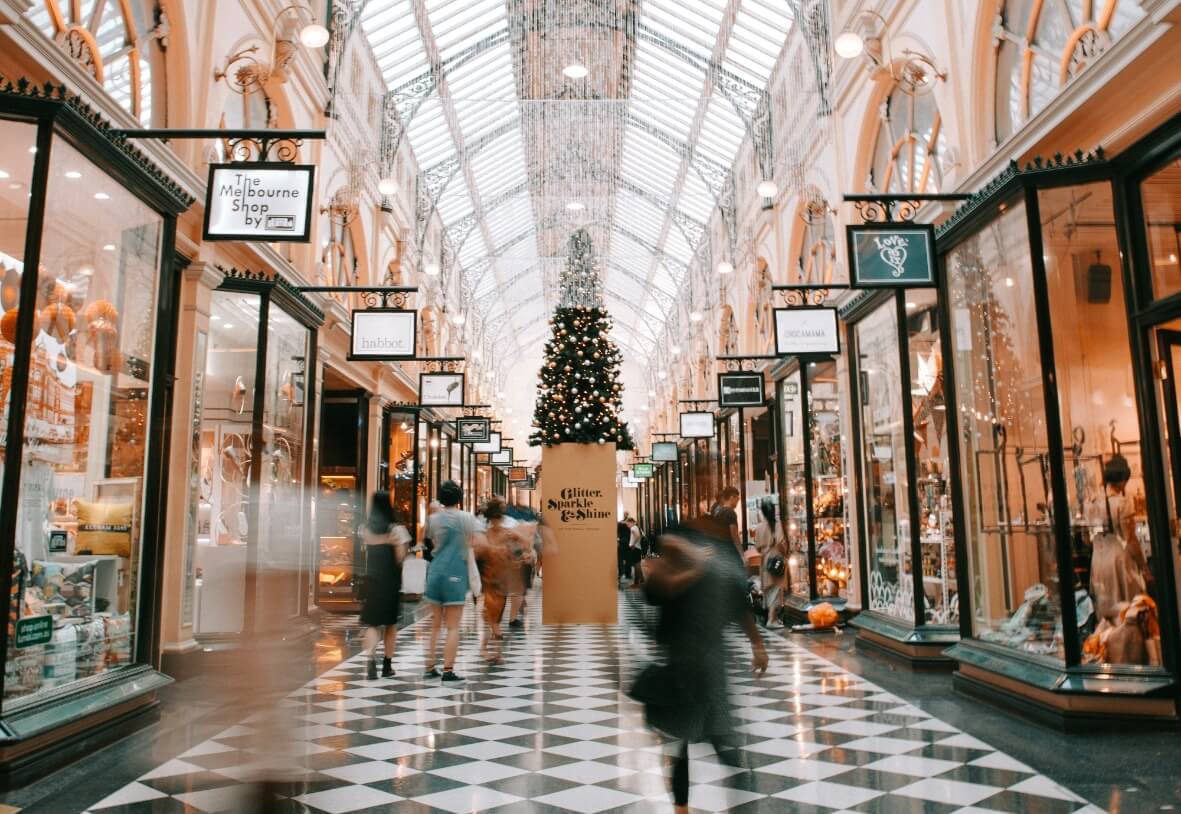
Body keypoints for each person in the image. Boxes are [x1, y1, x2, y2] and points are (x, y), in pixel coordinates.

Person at [638, 518, 768, 814]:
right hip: (684, 671)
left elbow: (738, 607)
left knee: (714, 744)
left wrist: (757, 645)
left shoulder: (704, 575)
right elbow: (659, 589)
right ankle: (682, 808)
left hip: (704, 670)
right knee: (684, 746)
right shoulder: (674, 575)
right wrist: (696, 565)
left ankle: (724, 805)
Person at [423, 481, 482, 681]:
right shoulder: (467, 518)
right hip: (455, 574)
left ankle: (429, 666)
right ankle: (448, 670)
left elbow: (430, 541)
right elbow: (478, 542)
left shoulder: (432, 519)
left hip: (435, 572)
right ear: (459, 498)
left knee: (435, 625)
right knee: (453, 626)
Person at [1090, 454, 1153, 623]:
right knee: (1128, 609)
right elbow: (1131, 540)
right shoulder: (1122, 503)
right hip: (1119, 562)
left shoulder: (1094, 501)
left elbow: (1087, 537)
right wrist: (1145, 569)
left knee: (1106, 608)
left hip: (1098, 561)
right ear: (1122, 479)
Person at [472, 498, 535, 663]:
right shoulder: (505, 533)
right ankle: (493, 651)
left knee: (492, 618)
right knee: (493, 617)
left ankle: (491, 650)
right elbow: (526, 542)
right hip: (499, 579)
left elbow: (477, 553)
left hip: (491, 579)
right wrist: (521, 555)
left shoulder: (486, 534)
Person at [359, 491, 409, 680]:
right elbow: (400, 557)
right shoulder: (397, 530)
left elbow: (366, 547)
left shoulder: (366, 529)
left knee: (372, 623)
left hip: (372, 580)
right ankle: (387, 665)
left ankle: (370, 659)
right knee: (390, 624)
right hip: (390, 582)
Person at [753, 499, 786, 628]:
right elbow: (781, 541)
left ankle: (772, 618)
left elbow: (757, 547)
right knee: (777, 588)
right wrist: (785, 553)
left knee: (768, 588)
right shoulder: (777, 524)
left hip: (765, 559)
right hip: (776, 557)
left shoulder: (760, 527)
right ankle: (772, 619)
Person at [709, 486, 743, 556]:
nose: (738, 501)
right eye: (737, 499)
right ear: (732, 497)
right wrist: (741, 554)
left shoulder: (718, 512)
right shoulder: (730, 513)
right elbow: (735, 536)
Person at [627, 517, 645, 587]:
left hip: (635, 549)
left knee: (636, 565)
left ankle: (636, 582)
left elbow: (638, 536)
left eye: (628, 523)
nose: (627, 525)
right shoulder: (637, 527)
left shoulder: (633, 528)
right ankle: (642, 579)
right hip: (638, 548)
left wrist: (633, 545)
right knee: (638, 565)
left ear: (631, 522)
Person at [617, 515, 632, 584]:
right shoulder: (628, 529)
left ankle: (621, 573)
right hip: (628, 545)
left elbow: (618, 536)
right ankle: (628, 574)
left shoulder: (619, 528)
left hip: (621, 545)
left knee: (620, 560)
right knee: (628, 560)